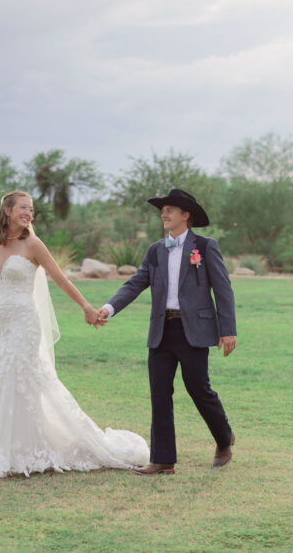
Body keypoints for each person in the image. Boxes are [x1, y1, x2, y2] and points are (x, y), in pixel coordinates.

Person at [0, 191, 148, 477]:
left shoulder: (33, 244)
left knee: (17, 380)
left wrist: (86, 306)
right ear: (7, 211)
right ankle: (13, 451)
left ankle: (26, 454)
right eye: (23, 208)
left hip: (25, 324)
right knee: (2, 380)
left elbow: (59, 277)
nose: (29, 214)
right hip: (2, 326)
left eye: (31, 210)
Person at [96, 189, 236, 475]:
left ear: (186, 215)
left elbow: (223, 290)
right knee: (159, 393)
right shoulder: (156, 251)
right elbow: (135, 283)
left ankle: (224, 438)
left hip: (194, 329)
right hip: (162, 329)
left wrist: (228, 330)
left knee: (199, 389)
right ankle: (163, 460)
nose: (164, 213)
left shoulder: (205, 246)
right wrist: (109, 308)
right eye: (163, 210)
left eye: (170, 209)